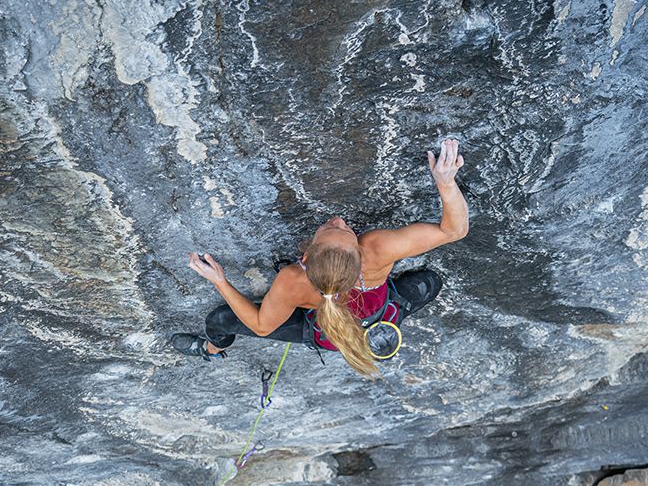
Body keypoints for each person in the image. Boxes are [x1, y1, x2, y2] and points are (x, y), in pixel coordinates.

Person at [171, 139, 468, 377]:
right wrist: (445, 183)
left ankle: (211, 347)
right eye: (335, 228)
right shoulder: (377, 249)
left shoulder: (293, 280)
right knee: (429, 282)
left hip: (322, 332)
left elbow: (263, 326)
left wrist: (221, 282)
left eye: (339, 229)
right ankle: (394, 314)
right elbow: (454, 230)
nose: (338, 220)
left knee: (220, 320)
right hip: (376, 308)